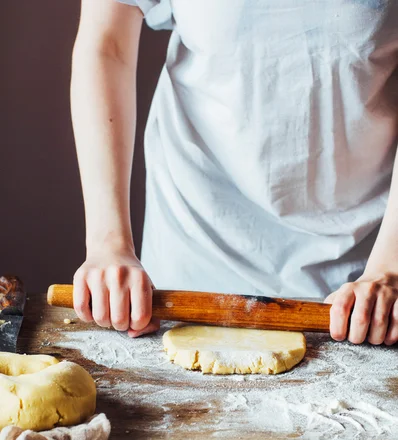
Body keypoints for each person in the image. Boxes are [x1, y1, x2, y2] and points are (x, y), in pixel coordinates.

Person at [71, 0, 398, 345]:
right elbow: (108, 45)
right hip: (188, 267)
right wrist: (109, 244)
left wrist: (389, 265)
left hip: (364, 283)